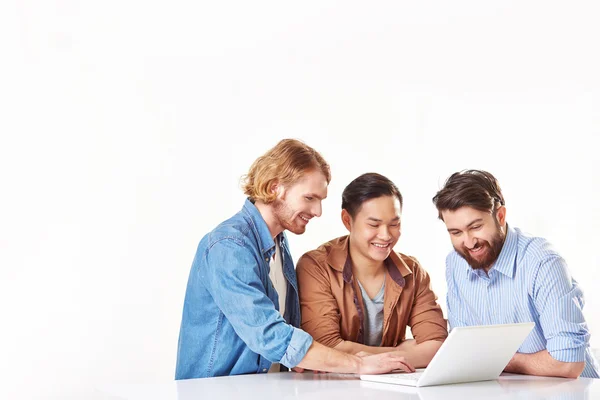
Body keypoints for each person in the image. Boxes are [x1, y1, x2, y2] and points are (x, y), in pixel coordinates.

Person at [175, 140, 414, 379]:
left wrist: (318, 360)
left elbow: (287, 339)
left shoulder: (279, 243)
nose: (318, 211)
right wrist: (357, 364)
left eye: (321, 200)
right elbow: (270, 335)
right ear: (273, 188)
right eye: (309, 198)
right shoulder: (229, 246)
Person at [432, 169, 600, 379]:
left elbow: (567, 364)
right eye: (455, 233)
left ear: (500, 216)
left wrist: (501, 361)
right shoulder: (455, 262)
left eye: (475, 227)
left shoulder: (542, 262)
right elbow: (464, 352)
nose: (468, 242)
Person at [297, 173, 447, 368]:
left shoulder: (413, 272)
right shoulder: (316, 267)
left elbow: (437, 347)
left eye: (394, 224)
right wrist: (404, 351)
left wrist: (355, 353)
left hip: (390, 387)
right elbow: (324, 347)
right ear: (347, 221)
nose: (385, 235)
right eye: (374, 224)